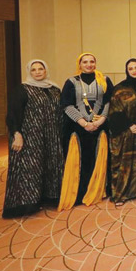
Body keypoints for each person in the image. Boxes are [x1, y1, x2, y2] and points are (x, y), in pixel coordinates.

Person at [3, 59, 63, 218]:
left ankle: (49, 198)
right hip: (31, 136)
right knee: (30, 169)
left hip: (52, 136)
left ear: (46, 70)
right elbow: (13, 113)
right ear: (29, 72)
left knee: (52, 166)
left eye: (40, 69)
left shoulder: (55, 89)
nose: (37, 72)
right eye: (33, 70)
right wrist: (16, 134)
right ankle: (27, 204)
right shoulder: (22, 89)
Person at [58, 53, 114, 211]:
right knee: (80, 160)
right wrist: (83, 123)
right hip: (77, 128)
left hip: (100, 127)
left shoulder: (104, 80)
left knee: (99, 158)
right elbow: (66, 105)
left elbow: (109, 101)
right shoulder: (71, 82)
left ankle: (98, 190)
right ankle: (79, 193)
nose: (89, 65)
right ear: (80, 64)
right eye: (85, 62)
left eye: (91, 61)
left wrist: (101, 120)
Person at [108, 58, 136, 206]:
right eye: (131, 69)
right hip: (124, 132)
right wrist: (130, 126)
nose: (134, 71)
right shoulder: (119, 89)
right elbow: (114, 112)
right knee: (123, 165)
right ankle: (121, 194)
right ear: (127, 71)